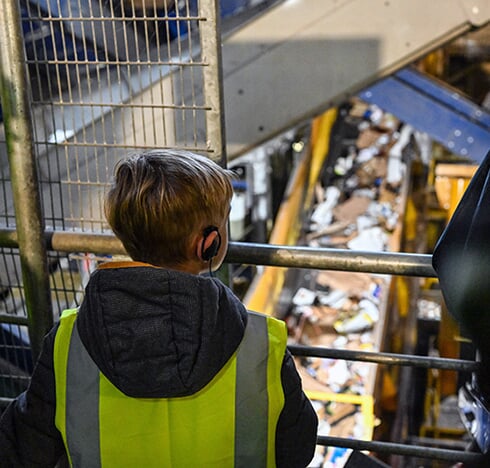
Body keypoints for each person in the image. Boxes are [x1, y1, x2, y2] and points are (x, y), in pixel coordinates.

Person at [0, 149, 318, 467]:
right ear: (209, 244)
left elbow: (24, 445)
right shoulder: (262, 342)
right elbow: (298, 448)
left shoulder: (67, 343)